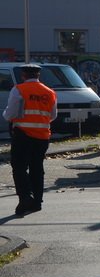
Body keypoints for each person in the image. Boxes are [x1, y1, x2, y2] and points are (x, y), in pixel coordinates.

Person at [3, 64, 57, 216]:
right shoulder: (50, 92)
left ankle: (25, 198)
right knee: (37, 168)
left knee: (19, 168)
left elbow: (10, 113)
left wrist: (7, 116)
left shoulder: (19, 89)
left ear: (23, 75)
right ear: (38, 75)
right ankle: (37, 201)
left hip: (23, 135)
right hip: (43, 136)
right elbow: (53, 115)